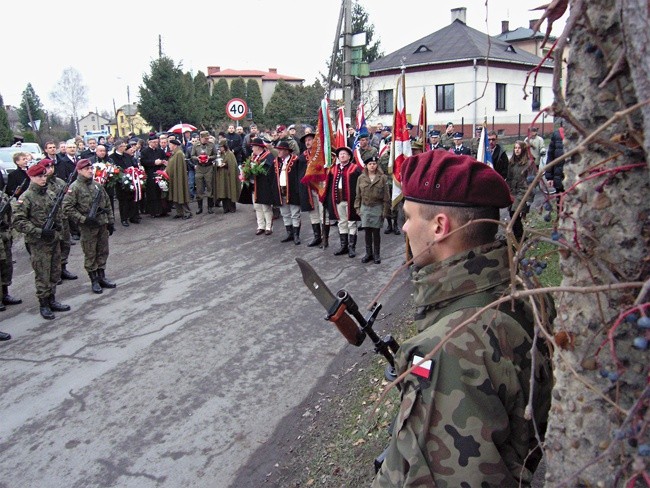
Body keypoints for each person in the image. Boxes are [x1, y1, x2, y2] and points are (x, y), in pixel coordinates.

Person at [372, 150, 553, 488]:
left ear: (440, 226)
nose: (405, 227)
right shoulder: (523, 288)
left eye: (409, 216)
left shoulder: (450, 350)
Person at [12, 163, 71, 320]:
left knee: (54, 271)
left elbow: (58, 212)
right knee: (42, 274)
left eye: (44, 176)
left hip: (53, 239)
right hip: (38, 242)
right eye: (39, 176)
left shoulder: (50, 194)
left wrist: (57, 226)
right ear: (31, 177)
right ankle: (44, 304)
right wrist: (39, 231)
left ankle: (52, 299)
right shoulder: (26, 198)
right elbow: (18, 222)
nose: (43, 179)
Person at [63, 159, 116, 294]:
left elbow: (107, 203)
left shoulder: (97, 185)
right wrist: (83, 219)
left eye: (91, 168)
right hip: (87, 227)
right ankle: (94, 280)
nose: (90, 171)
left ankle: (102, 276)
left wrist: (110, 221)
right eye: (87, 169)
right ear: (79, 171)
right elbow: (67, 207)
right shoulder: (74, 188)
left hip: (101, 223)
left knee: (103, 251)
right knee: (90, 253)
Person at [41, 158, 77, 281]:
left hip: (63, 218)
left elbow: (68, 197)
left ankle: (63, 268)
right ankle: (54, 272)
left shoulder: (60, 182)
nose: (50, 169)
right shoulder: (42, 183)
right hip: (51, 221)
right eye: (47, 167)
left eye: (52, 167)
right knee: (53, 247)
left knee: (65, 243)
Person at [326, 146, 361, 257]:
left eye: (344, 154)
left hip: (351, 200)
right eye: (340, 154)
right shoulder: (333, 169)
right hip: (338, 200)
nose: (342, 156)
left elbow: (359, 185)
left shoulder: (355, 168)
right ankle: (343, 246)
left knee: (351, 222)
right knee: (342, 222)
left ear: (349, 156)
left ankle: (351, 247)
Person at [354, 155, 390, 264]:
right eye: (370, 164)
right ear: (366, 165)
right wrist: (358, 209)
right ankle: (368, 253)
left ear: (377, 165)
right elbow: (358, 195)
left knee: (376, 232)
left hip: (377, 207)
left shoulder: (382, 178)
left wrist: (384, 211)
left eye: (374, 164)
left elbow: (386, 196)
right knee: (367, 232)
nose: (372, 166)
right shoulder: (361, 178)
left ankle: (376, 254)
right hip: (365, 208)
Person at [297, 132, 327, 247]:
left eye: (310, 140)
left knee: (323, 213)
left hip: (320, 187)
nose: (308, 142)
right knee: (313, 212)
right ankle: (317, 237)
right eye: (306, 141)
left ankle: (325, 238)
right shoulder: (302, 157)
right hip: (308, 189)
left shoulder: (321, 155)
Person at [249, 137, 280, 235]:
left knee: (266, 207)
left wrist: (259, 170)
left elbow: (270, 171)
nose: (252, 149)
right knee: (257, 207)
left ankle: (268, 227)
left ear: (258, 147)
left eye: (253, 146)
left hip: (264, 186)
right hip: (255, 186)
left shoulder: (268, 156)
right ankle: (260, 226)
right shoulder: (253, 157)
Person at [507, 141, 535, 242]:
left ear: (523, 149)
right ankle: (518, 234)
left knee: (514, 213)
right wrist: (508, 190)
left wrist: (529, 198)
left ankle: (518, 236)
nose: (517, 150)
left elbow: (532, 182)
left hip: (523, 192)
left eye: (519, 148)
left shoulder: (529, 163)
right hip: (513, 192)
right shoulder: (511, 163)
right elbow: (509, 178)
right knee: (512, 213)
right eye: (515, 148)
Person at [275, 140, 302, 245]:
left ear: (286, 151)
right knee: (285, 213)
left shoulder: (295, 160)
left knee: (295, 213)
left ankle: (296, 235)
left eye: (280, 150)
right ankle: (289, 233)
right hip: (281, 191)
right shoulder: (277, 162)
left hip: (292, 191)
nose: (279, 152)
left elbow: (298, 177)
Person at [0, 184, 22, 309]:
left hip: (4, 235)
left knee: (6, 265)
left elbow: (10, 213)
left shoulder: (2, 195)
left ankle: (5, 294)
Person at [111, 140, 141, 227]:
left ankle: (133, 216)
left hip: (130, 181)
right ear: (119, 147)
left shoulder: (127, 156)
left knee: (131, 199)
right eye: (124, 146)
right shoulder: (112, 157)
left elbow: (133, 166)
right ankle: (124, 218)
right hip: (120, 183)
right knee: (123, 201)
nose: (125, 148)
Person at [140, 133, 168, 217]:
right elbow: (143, 162)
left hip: (160, 173)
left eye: (157, 142)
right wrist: (153, 162)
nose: (156, 144)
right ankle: (153, 211)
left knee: (161, 192)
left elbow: (165, 158)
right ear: (149, 142)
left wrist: (163, 161)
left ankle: (163, 210)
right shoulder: (144, 151)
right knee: (152, 193)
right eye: (154, 142)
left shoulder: (160, 150)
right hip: (150, 173)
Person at [191, 131, 218, 215]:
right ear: (201, 138)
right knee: (199, 188)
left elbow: (215, 155)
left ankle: (210, 207)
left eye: (207, 138)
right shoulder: (196, 145)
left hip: (209, 167)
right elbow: (192, 156)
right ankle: (200, 207)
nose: (207, 140)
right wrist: (197, 158)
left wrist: (209, 158)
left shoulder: (211, 145)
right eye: (205, 138)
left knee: (209, 186)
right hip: (199, 168)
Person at [166, 137, 192, 219]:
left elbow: (180, 168)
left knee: (181, 194)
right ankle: (179, 212)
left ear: (174, 145)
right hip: (174, 177)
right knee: (176, 195)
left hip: (178, 178)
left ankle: (187, 212)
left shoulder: (179, 154)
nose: (169, 146)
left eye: (170, 144)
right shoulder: (174, 154)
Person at [214, 139, 240, 214]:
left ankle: (232, 207)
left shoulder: (230, 154)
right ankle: (225, 208)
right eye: (219, 147)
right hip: (222, 176)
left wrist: (226, 164)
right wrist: (217, 165)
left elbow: (233, 165)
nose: (220, 148)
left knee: (230, 190)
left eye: (221, 147)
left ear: (225, 146)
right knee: (223, 191)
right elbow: (216, 163)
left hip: (229, 176)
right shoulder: (219, 155)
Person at [545, 123, 566, 194]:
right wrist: (549, 177)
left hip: (575, 177)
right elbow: (550, 156)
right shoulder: (557, 134)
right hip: (559, 176)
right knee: (560, 200)